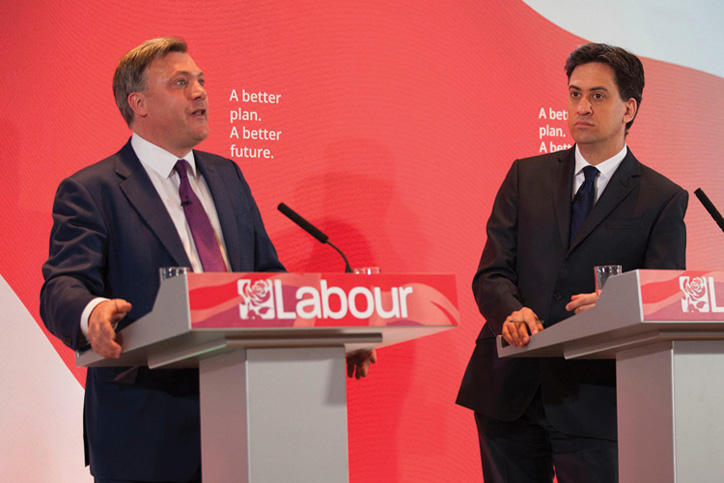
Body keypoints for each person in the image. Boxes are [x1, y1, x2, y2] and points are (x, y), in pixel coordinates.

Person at [39, 37, 373, 482]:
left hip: (246, 418)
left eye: (201, 80)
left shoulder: (226, 175)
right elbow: (62, 285)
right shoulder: (93, 190)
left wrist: (333, 339)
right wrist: (91, 314)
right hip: (146, 432)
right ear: (138, 103)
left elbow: (267, 280)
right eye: (181, 83)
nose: (200, 92)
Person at [456, 43, 687, 483]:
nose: (582, 106)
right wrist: (510, 311)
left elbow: (662, 300)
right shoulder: (526, 176)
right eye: (575, 93)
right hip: (509, 391)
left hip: (598, 402)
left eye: (598, 96)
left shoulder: (663, 198)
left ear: (629, 108)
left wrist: (615, 308)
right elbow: (492, 272)